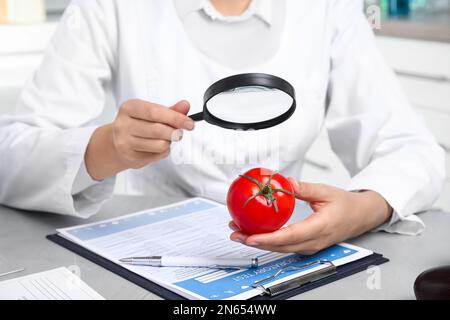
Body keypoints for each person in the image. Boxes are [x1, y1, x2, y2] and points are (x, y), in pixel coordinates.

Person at [0, 0, 445, 254]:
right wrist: (105, 148)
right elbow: (10, 155)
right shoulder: (110, 6)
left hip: (286, 263)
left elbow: (412, 149)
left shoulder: (328, 9)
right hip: (150, 255)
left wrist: (360, 211)